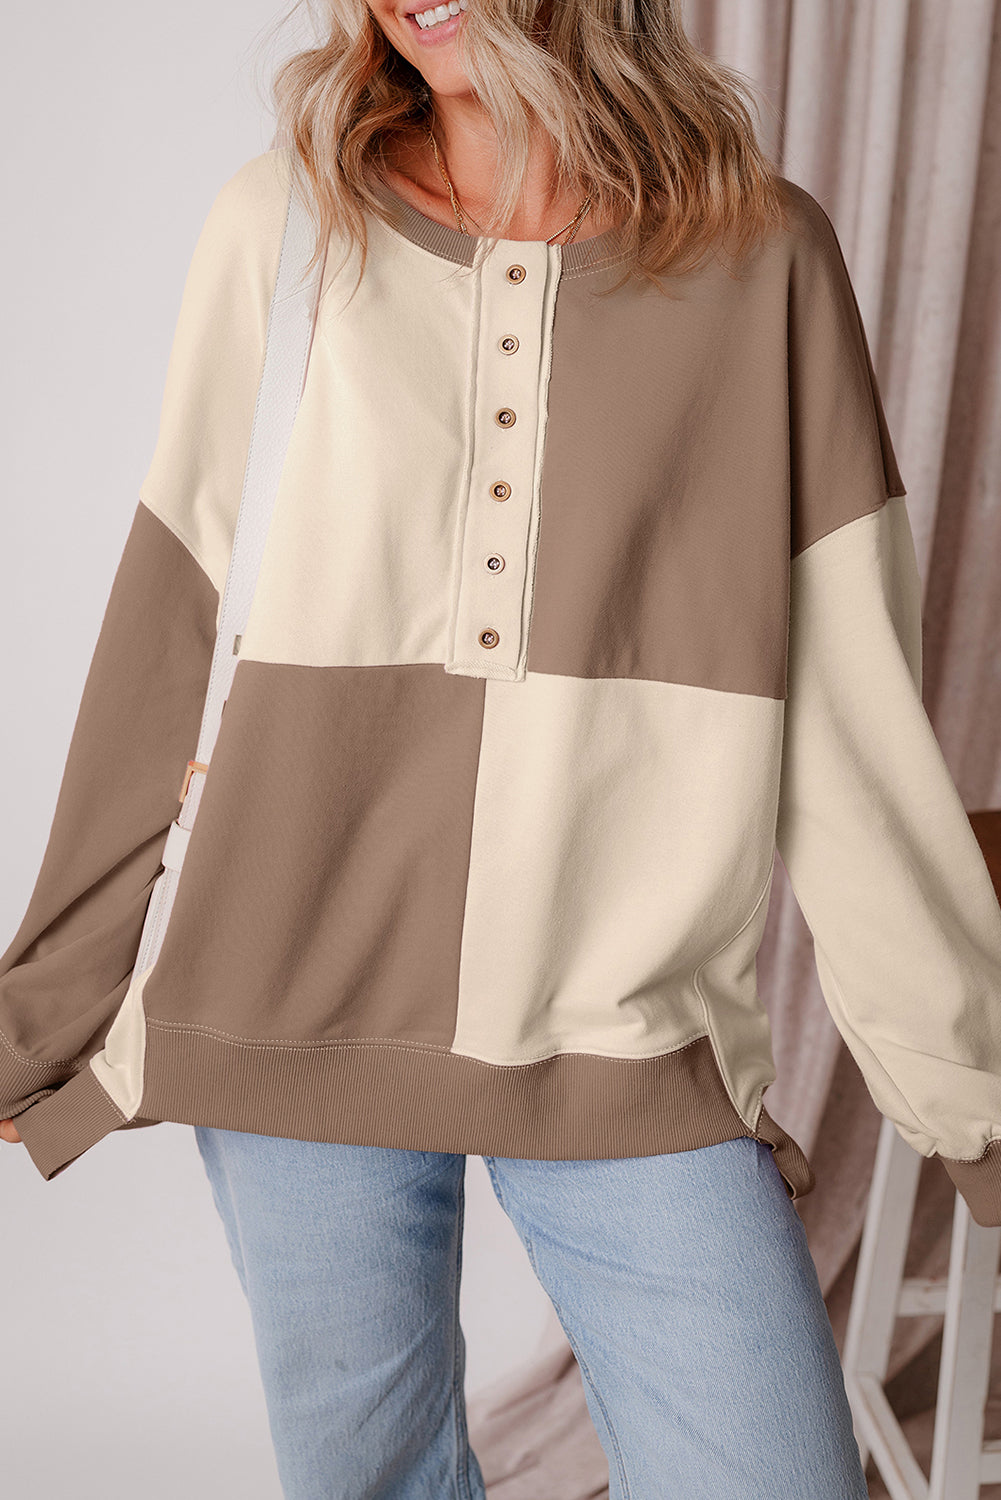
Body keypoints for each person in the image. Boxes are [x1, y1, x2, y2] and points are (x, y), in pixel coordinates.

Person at [4, 2, 1001, 1495]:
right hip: (288, 1000)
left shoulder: (762, 254)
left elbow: (855, 730)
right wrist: (46, 1007)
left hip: (623, 1021)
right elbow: (170, 626)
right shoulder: (282, 224)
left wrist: (976, 1096)